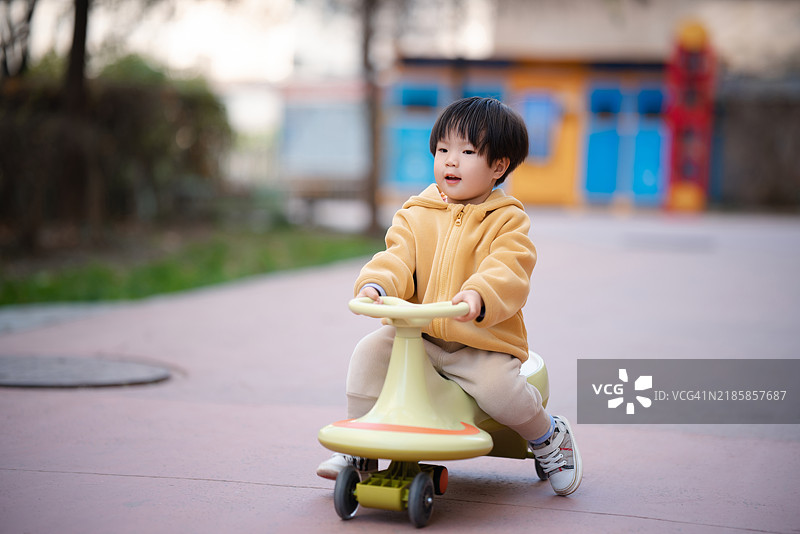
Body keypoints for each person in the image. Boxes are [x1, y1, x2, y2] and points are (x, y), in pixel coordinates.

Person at [316, 96, 582, 496]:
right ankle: (360, 446)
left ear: (498, 166)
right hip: (418, 337)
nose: (450, 161)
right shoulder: (417, 212)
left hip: (479, 342)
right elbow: (397, 256)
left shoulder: (506, 219)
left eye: (467, 151)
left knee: (498, 391)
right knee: (369, 355)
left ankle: (547, 436)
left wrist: (478, 295)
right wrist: (378, 285)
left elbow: (509, 269)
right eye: (443, 150)